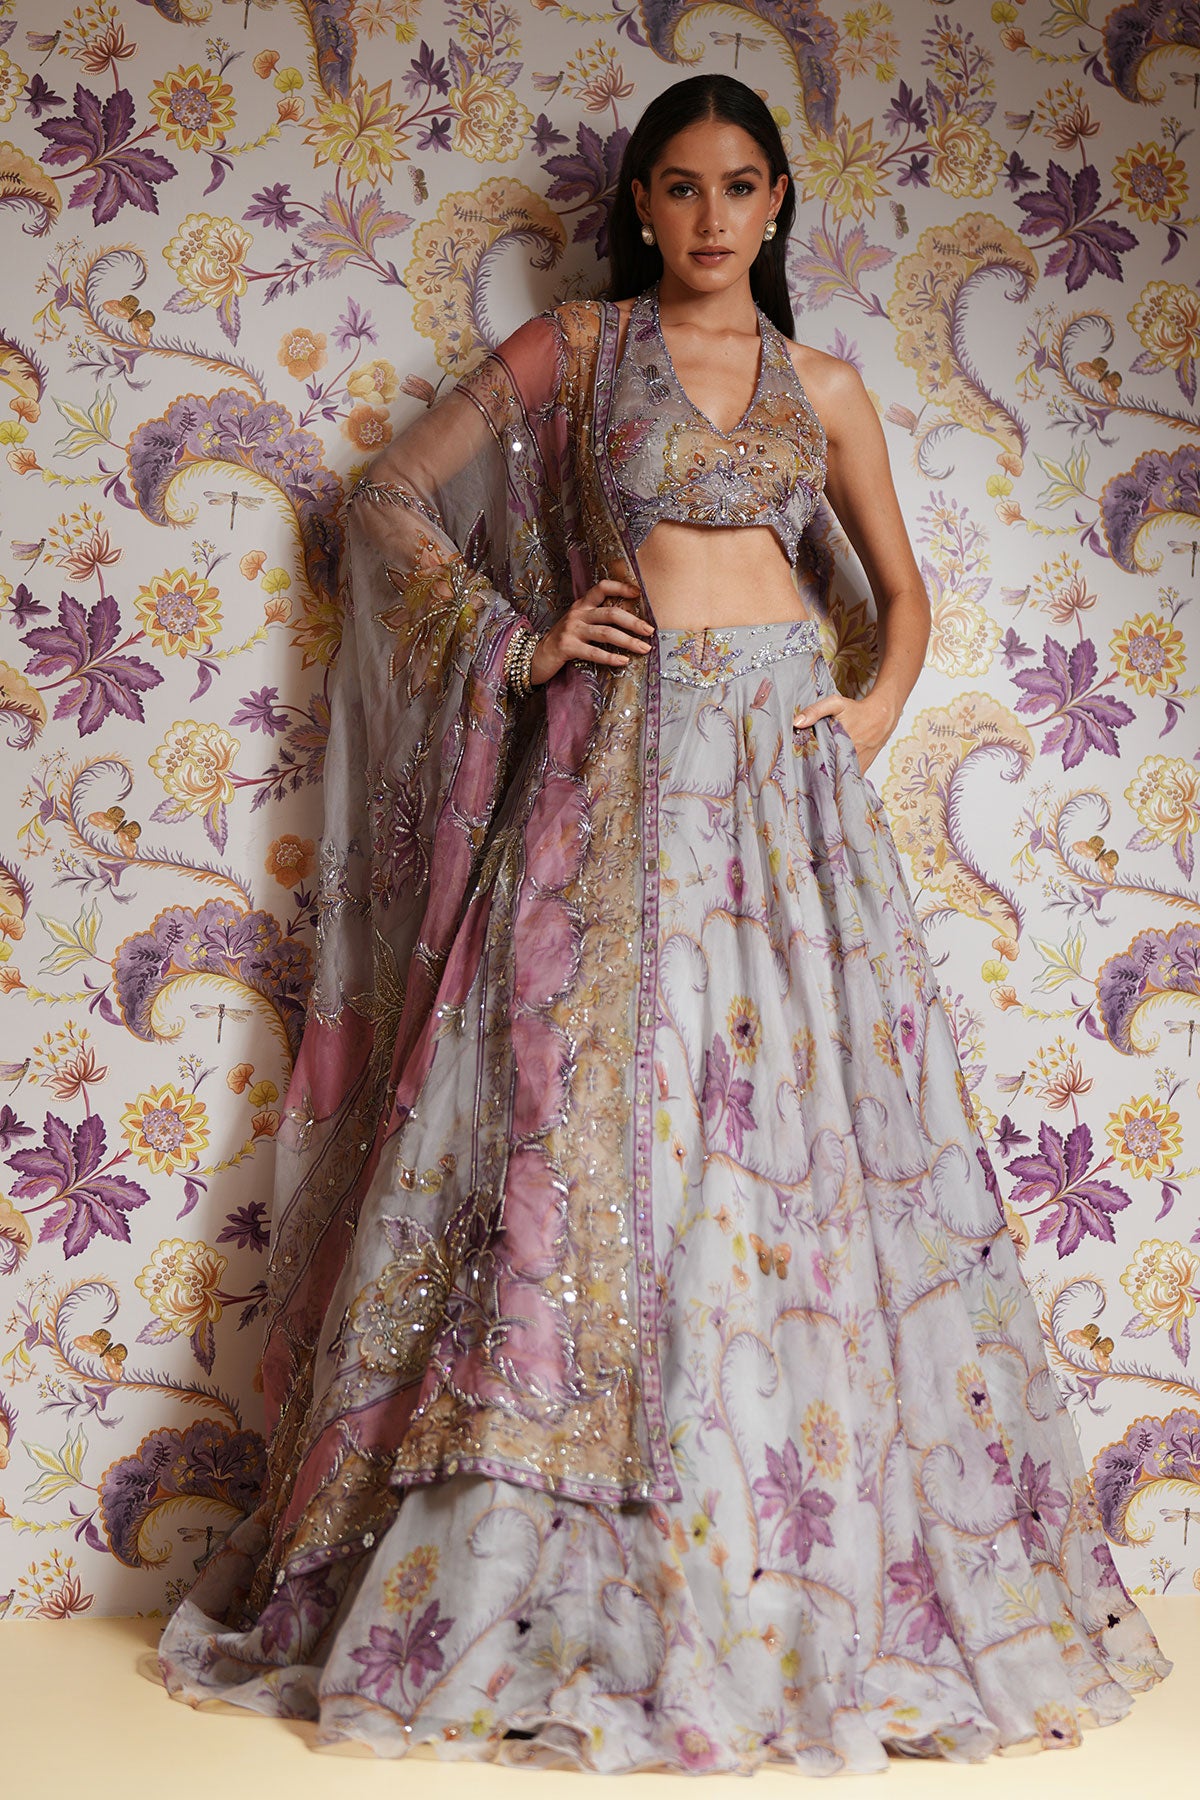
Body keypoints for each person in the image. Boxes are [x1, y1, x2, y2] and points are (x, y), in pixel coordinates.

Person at [157, 73, 1171, 1773]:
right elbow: (387, 499)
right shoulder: (576, 349)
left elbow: (901, 594)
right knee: (570, 1125)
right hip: (612, 767)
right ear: (640, 203)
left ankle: (779, 1563)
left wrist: (867, 710)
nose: (712, 216)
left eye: (741, 185)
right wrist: (526, 640)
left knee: (789, 1139)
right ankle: (558, 1586)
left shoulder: (823, 387)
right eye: (682, 186)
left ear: (778, 205)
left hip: (782, 788)